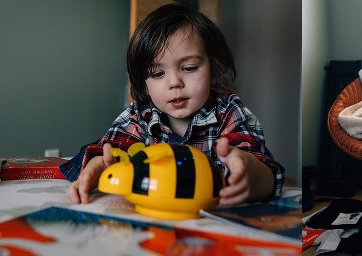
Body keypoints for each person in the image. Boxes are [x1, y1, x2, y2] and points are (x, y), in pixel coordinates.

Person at [62, 3, 284, 206]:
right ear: (144, 82)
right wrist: (100, 165)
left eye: (189, 68)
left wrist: (250, 173)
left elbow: (268, 177)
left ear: (214, 70)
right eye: (158, 73)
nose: (174, 82)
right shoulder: (138, 117)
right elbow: (110, 153)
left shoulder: (231, 113)